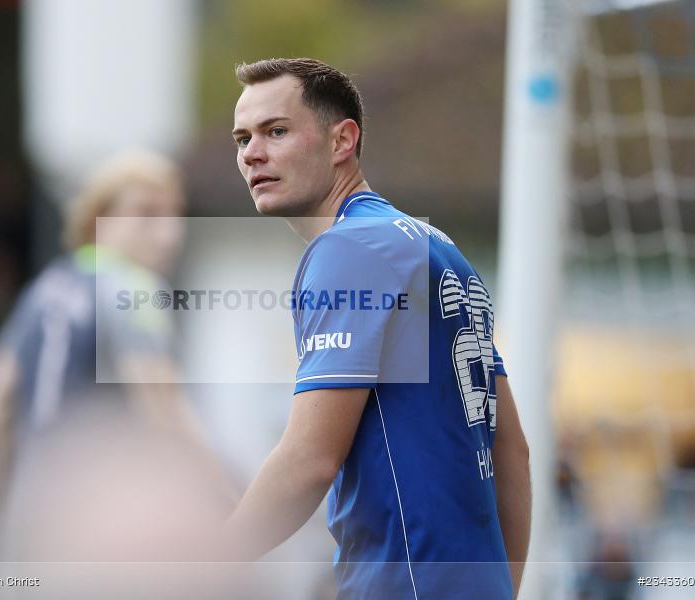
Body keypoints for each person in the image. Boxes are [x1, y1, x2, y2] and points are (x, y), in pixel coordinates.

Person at [225, 58, 532, 598]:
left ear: (342, 140)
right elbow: (511, 450)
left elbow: (308, 461)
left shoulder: (350, 249)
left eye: (276, 131)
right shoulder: (436, 245)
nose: (252, 153)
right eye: (242, 137)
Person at [0, 150, 225, 561]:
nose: (168, 233)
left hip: (30, 523)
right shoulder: (131, 289)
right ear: (101, 218)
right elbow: (163, 412)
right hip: (99, 526)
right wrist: (230, 497)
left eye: (175, 214)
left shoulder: (43, 291)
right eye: (147, 214)